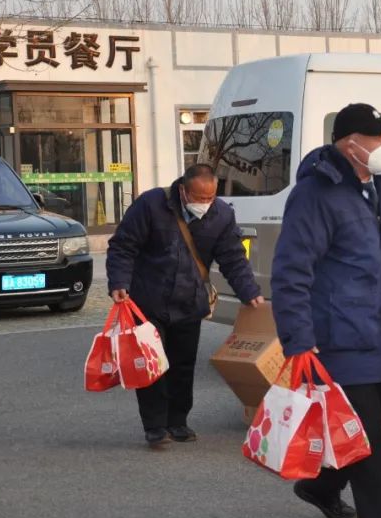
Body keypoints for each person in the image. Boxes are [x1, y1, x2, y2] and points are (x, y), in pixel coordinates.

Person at [271, 103, 381, 518]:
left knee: (358, 424)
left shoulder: (379, 187)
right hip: (341, 334)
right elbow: (291, 271)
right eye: (375, 138)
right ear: (349, 143)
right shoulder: (316, 194)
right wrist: (298, 339)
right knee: (371, 435)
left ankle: (320, 488)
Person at [107, 165, 264, 448]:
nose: (205, 203)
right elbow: (123, 246)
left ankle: (178, 421)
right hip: (148, 300)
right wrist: (119, 282)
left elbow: (233, 258)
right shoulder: (151, 204)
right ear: (183, 189)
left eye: (211, 197)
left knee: (182, 365)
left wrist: (250, 292)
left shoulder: (222, 215)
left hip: (189, 301)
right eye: (199, 197)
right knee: (152, 364)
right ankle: (155, 426)